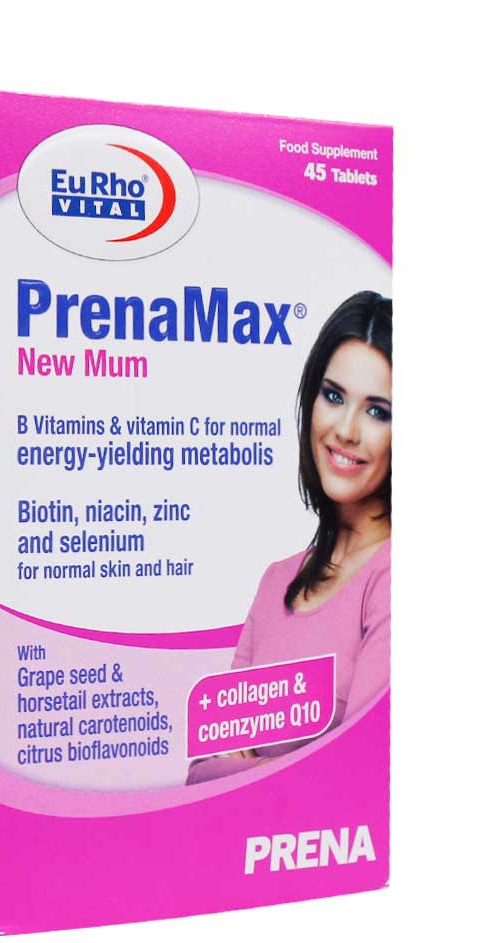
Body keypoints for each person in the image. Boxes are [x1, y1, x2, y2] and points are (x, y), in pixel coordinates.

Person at [186, 291, 392, 785]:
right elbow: (200, 775)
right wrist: (290, 769)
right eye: (334, 396)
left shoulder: (392, 576)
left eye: (378, 412)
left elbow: (358, 774)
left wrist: (250, 766)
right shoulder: (276, 581)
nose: (346, 430)